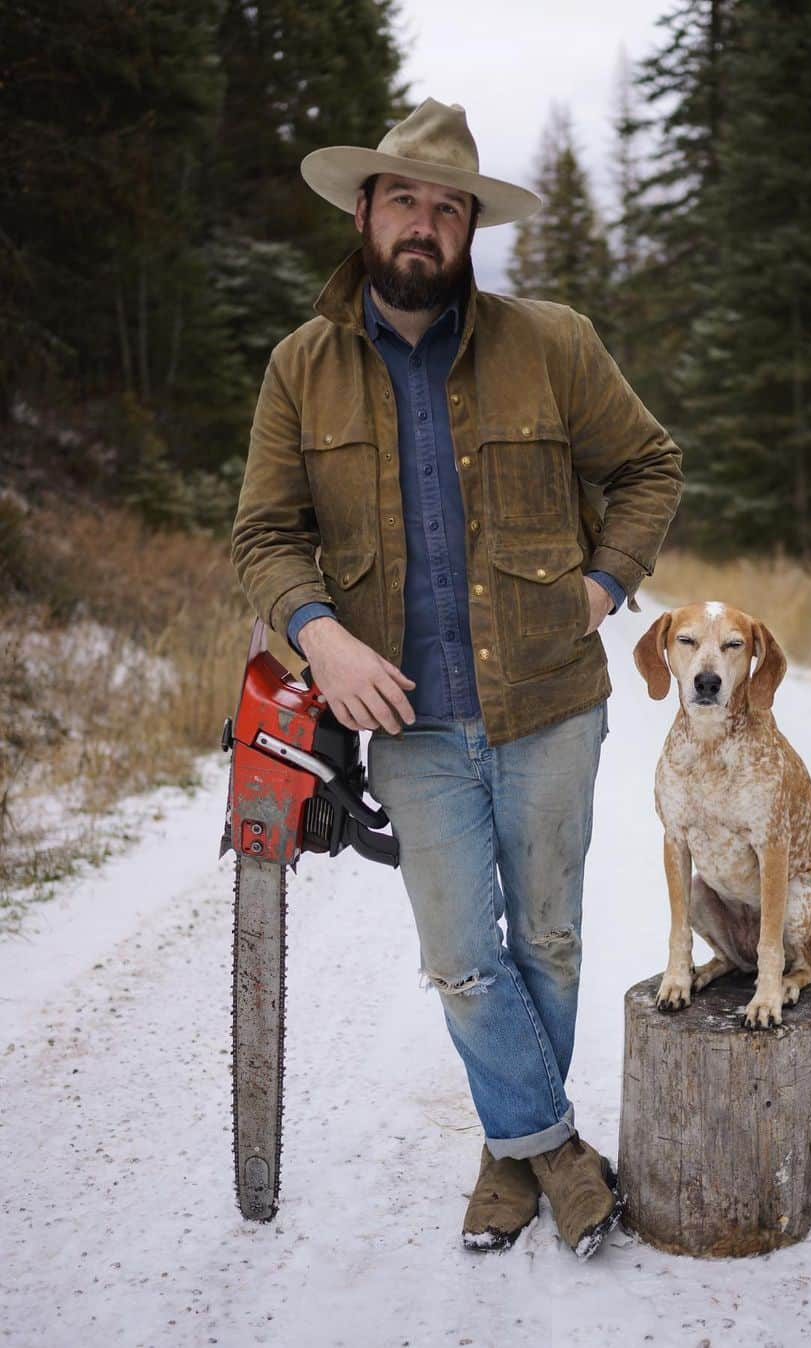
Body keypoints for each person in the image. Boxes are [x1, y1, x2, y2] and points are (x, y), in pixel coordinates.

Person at [231, 98, 682, 1258]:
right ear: (365, 211)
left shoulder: (555, 342)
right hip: (409, 720)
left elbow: (648, 466)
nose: (425, 225)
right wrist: (319, 635)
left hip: (549, 704)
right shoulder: (302, 367)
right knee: (460, 954)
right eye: (405, 201)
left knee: (549, 940)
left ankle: (504, 1158)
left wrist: (600, 589)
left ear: (469, 225)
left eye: (448, 206)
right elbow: (264, 535)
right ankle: (557, 1148)